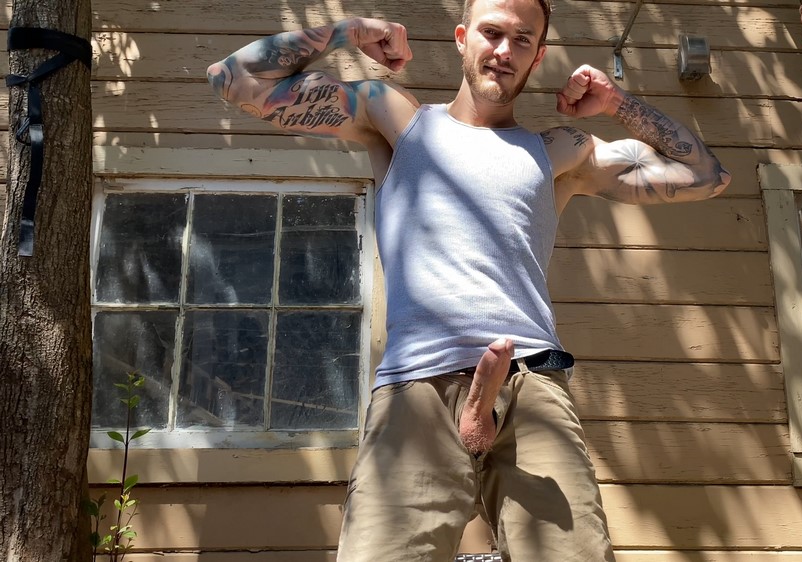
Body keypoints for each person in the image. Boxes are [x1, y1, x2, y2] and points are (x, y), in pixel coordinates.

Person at [207, 0, 731, 559]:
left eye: (522, 39)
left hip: (531, 387)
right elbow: (234, 80)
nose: (504, 50)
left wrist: (615, 102)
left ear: (538, 56)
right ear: (462, 38)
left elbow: (706, 176)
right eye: (492, 32)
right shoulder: (397, 120)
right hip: (417, 389)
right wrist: (350, 30)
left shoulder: (559, 151)